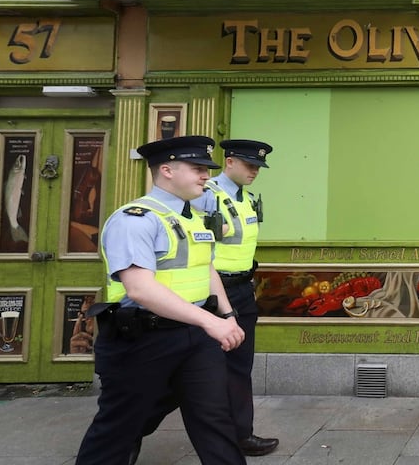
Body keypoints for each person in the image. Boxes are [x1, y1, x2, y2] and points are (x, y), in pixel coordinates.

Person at [75, 135, 247, 465]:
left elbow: (205, 269)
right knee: (118, 429)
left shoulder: (193, 217)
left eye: (206, 169)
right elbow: (140, 289)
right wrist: (211, 321)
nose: (206, 176)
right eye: (197, 168)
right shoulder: (135, 219)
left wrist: (226, 313)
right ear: (166, 170)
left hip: (195, 337)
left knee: (215, 420)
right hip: (141, 340)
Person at [135, 139, 278, 459]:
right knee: (185, 374)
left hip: (241, 289)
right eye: (249, 165)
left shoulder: (247, 199)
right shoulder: (204, 195)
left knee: (239, 366)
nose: (255, 171)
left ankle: (241, 434)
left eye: (258, 167)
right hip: (209, 292)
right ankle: (132, 427)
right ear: (229, 162)